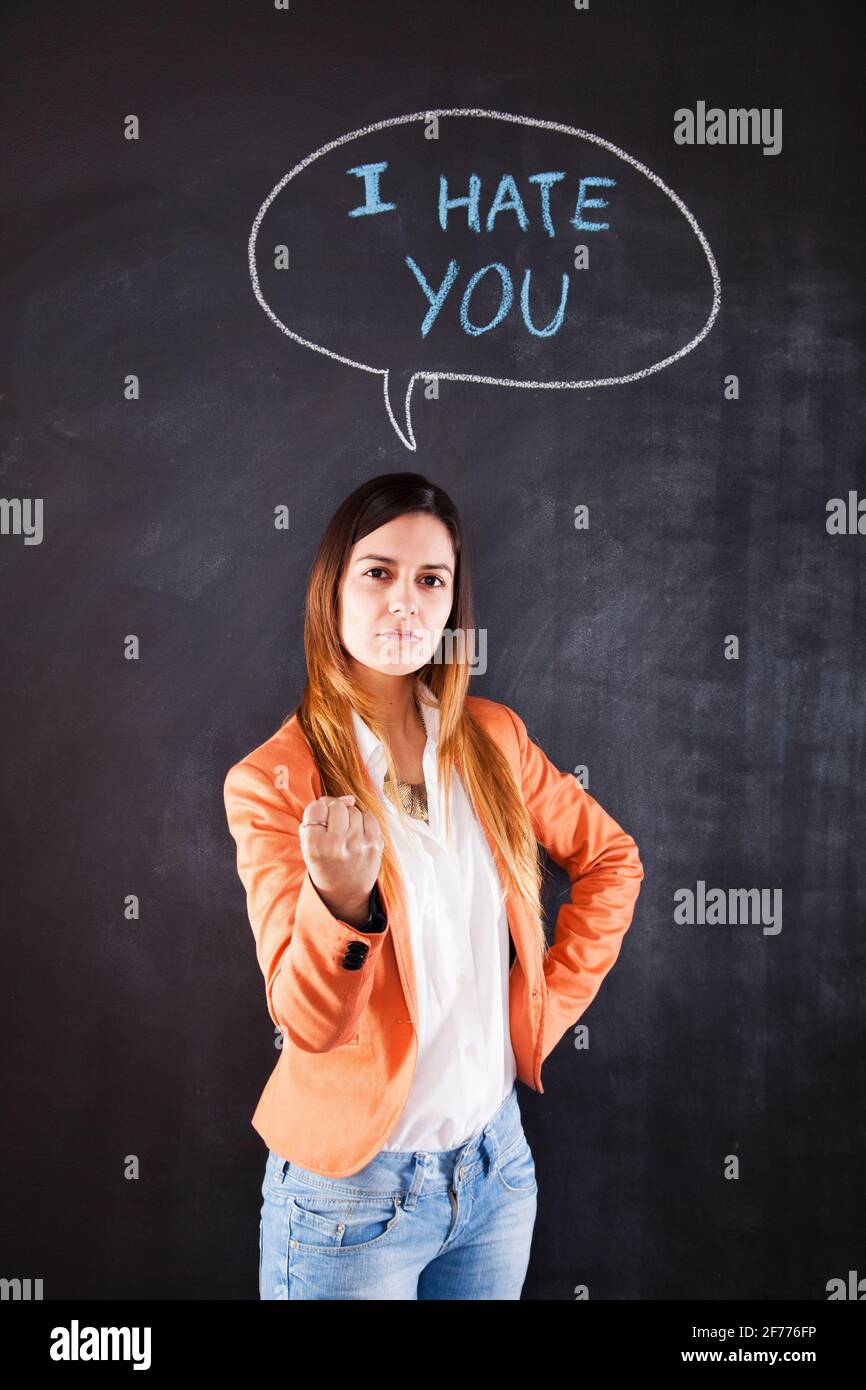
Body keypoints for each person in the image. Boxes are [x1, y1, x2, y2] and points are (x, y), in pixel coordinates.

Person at [223, 471, 644, 1300]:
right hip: (349, 1204)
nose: (404, 602)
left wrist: (542, 1010)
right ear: (332, 590)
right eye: (377, 573)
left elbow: (611, 862)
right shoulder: (274, 781)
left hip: (495, 1174)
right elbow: (305, 1021)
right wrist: (342, 906)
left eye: (431, 579)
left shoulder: (493, 740)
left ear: (454, 603)